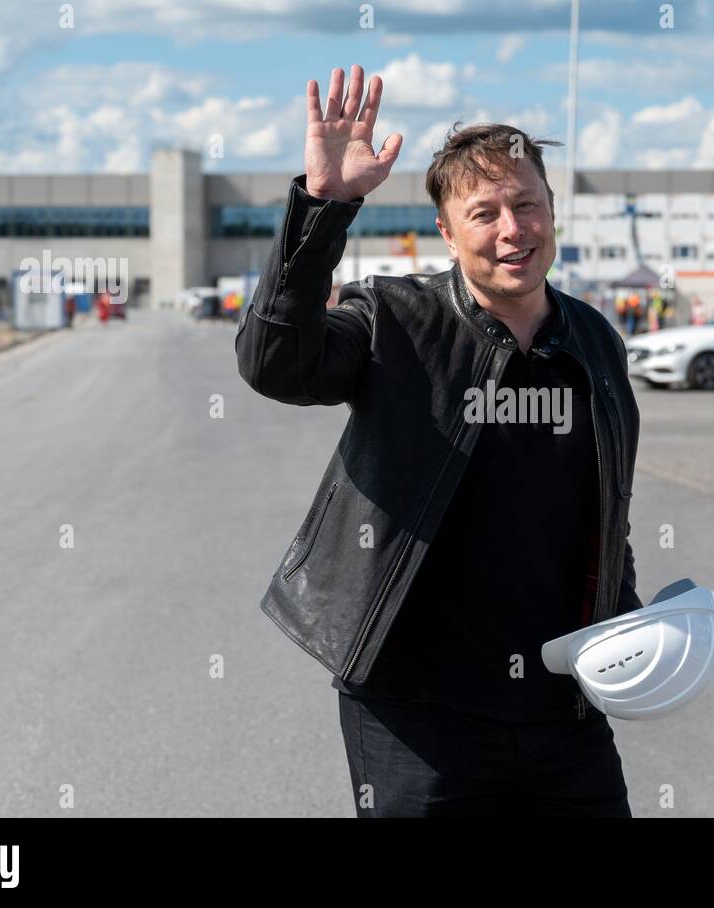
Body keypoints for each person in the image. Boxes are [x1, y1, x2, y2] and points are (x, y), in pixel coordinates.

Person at [235, 65, 642, 818]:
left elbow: (607, 513)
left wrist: (631, 628)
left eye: (527, 204)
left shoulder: (595, 343)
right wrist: (325, 207)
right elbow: (274, 364)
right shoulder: (395, 320)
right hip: (417, 711)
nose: (513, 229)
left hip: (564, 711)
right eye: (484, 212)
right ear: (447, 232)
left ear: (553, 209)